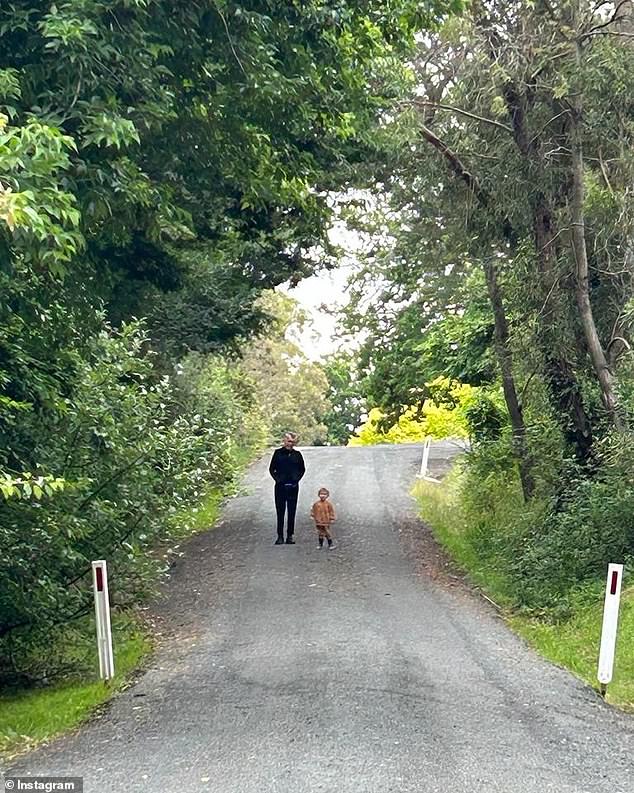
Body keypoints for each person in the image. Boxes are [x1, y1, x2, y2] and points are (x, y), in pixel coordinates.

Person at [269, 432, 305, 545]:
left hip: (293, 486)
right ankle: (280, 536)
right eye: (289, 441)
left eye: (293, 442)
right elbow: (272, 469)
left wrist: (296, 480)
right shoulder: (278, 453)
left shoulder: (297, 455)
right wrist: (278, 479)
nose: (290, 444)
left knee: (291, 511)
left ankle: (290, 535)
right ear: (284, 441)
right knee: (280, 511)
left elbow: (302, 469)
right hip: (280, 486)